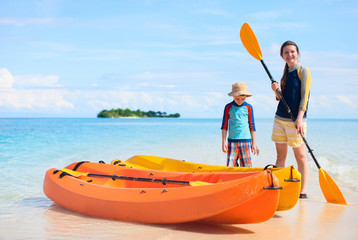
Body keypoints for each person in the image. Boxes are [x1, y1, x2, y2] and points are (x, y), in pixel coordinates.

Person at [271, 40, 311, 199]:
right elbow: (282, 99)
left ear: (297, 53)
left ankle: (303, 191)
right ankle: (278, 186)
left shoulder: (303, 70)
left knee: (300, 156)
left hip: (296, 121)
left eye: (292, 51)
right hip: (279, 119)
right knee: (280, 157)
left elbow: (305, 97)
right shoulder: (285, 73)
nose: (290, 55)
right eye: (286, 52)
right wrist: (276, 91)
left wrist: (300, 118)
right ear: (282, 56)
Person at [221, 82, 259, 167]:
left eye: (243, 99)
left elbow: (252, 126)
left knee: (247, 167)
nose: (240, 101)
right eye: (237, 99)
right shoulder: (228, 107)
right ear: (233, 96)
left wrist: (254, 143)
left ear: (246, 97)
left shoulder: (249, 107)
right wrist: (223, 142)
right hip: (232, 142)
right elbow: (224, 126)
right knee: (230, 167)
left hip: (246, 141)